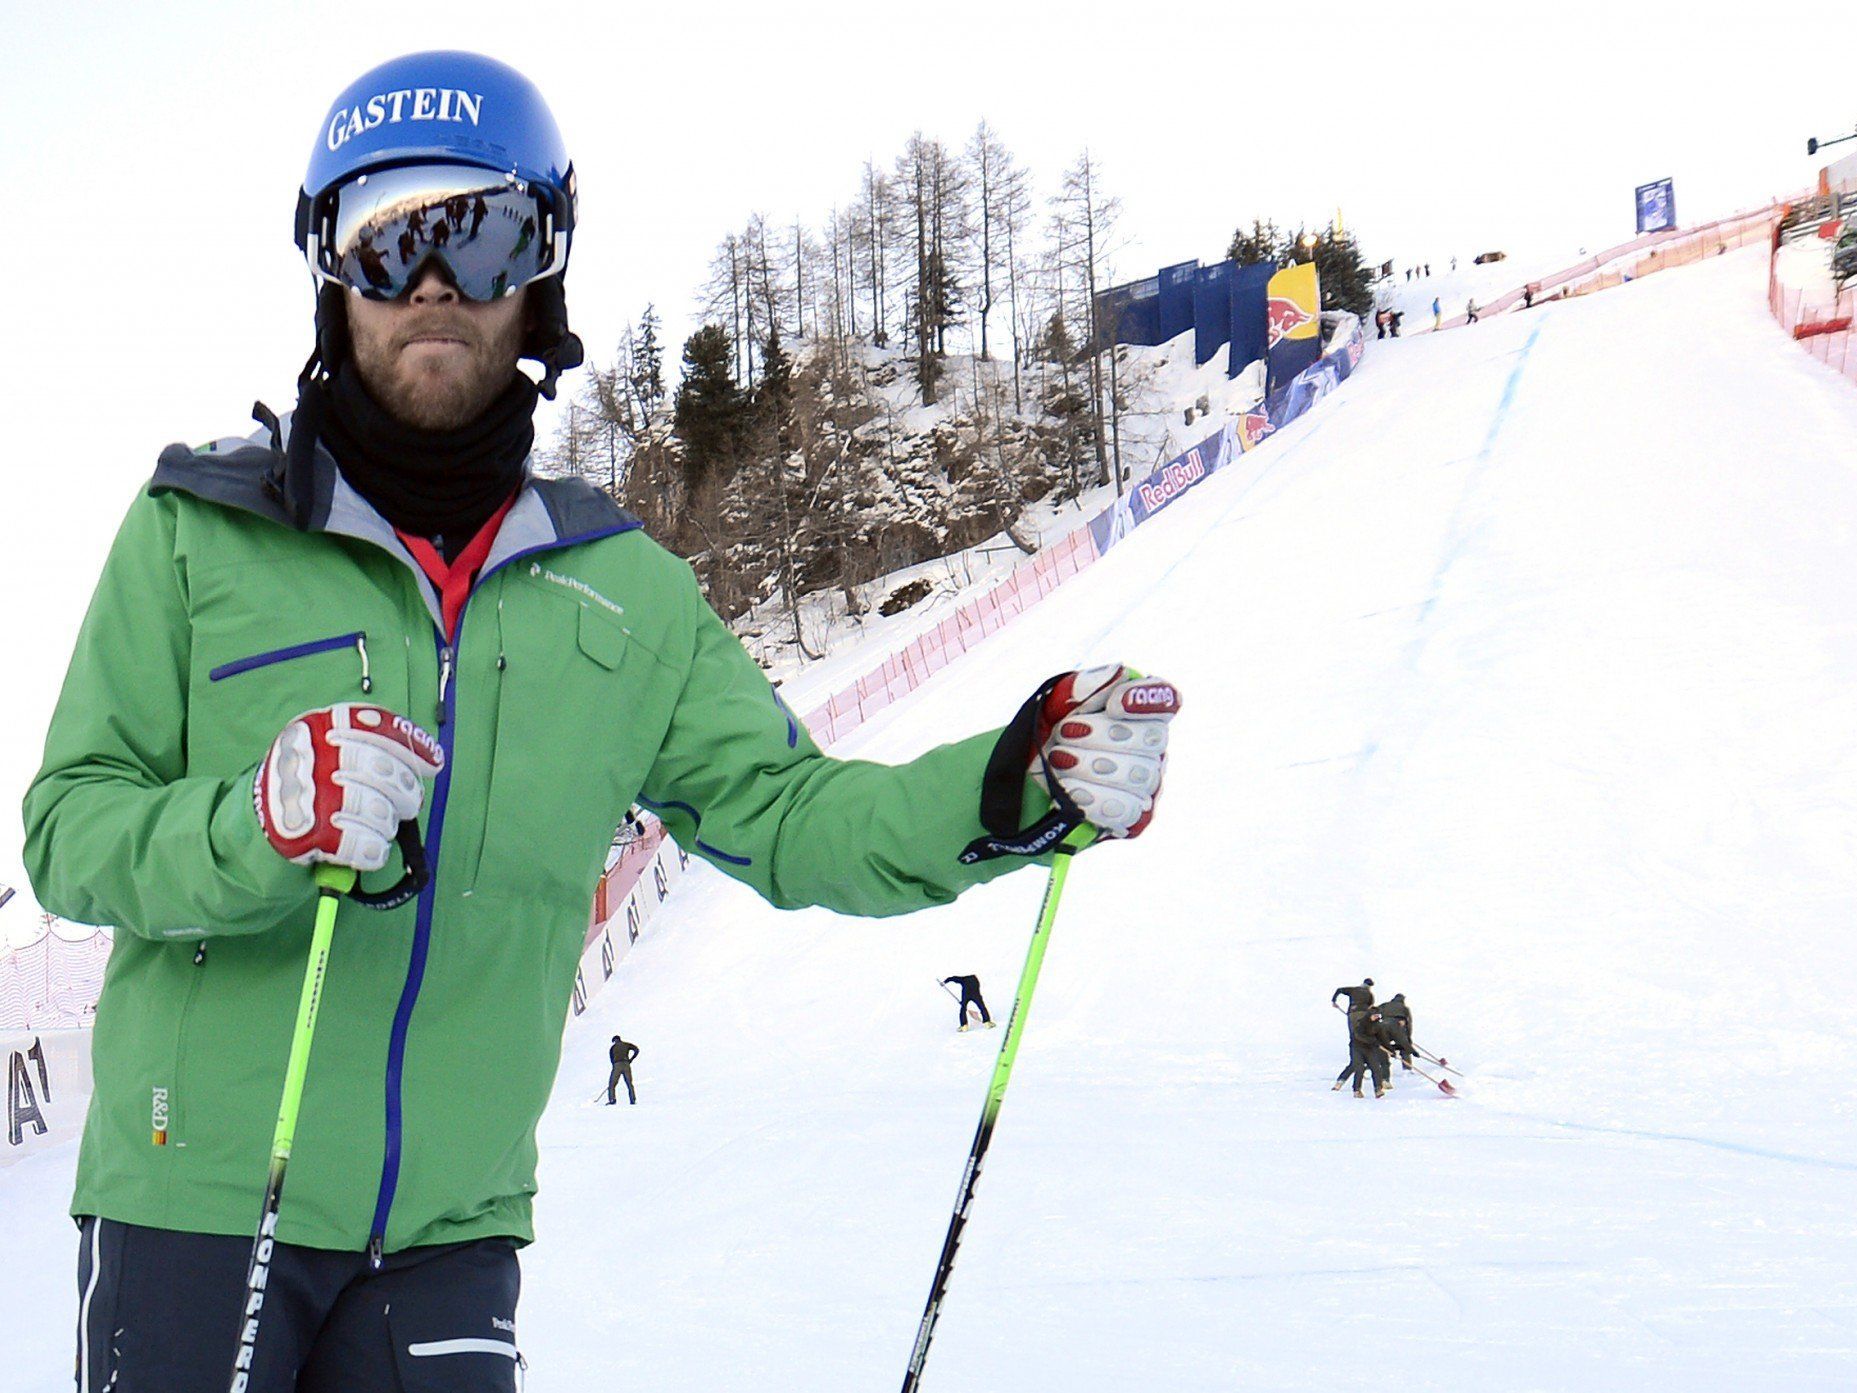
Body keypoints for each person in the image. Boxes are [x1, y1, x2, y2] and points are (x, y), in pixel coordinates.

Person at [21, 51, 1183, 1392]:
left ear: (544, 274)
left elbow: (794, 818)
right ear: (332, 276)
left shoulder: (623, 590)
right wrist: (258, 818)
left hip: (451, 1231)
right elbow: (70, 833)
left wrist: (1009, 787)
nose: (439, 285)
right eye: (391, 243)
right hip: (197, 1204)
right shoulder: (194, 535)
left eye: (487, 233)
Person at [1331, 1006, 1392, 1098]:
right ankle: (1357, 1090)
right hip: (1357, 1048)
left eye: (1377, 1015)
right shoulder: (1361, 1023)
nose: (1376, 1017)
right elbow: (1359, 1036)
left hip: (1369, 1049)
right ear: (1369, 1015)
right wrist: (1372, 1041)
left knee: (1376, 1068)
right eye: (1374, 1015)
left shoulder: (1378, 1026)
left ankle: (1378, 1089)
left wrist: (1391, 1050)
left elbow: (1383, 1039)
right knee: (1359, 1068)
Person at [1379, 993, 1415, 1070]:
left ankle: (1375, 1067)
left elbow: (1374, 1012)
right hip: (1397, 1028)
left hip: (1383, 1027)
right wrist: (1408, 1037)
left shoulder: (1385, 1005)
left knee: (1382, 1047)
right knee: (1404, 1047)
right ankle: (1407, 1068)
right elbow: (1408, 1023)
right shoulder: (1404, 1008)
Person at [606, 1036, 641, 1105]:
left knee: (612, 1084)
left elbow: (611, 1059)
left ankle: (612, 1099)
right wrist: (631, 1059)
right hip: (626, 1064)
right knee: (629, 1083)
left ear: (615, 1040)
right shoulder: (626, 1044)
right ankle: (632, 1100)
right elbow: (636, 1050)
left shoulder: (612, 1048)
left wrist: (615, 1066)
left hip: (617, 1065)